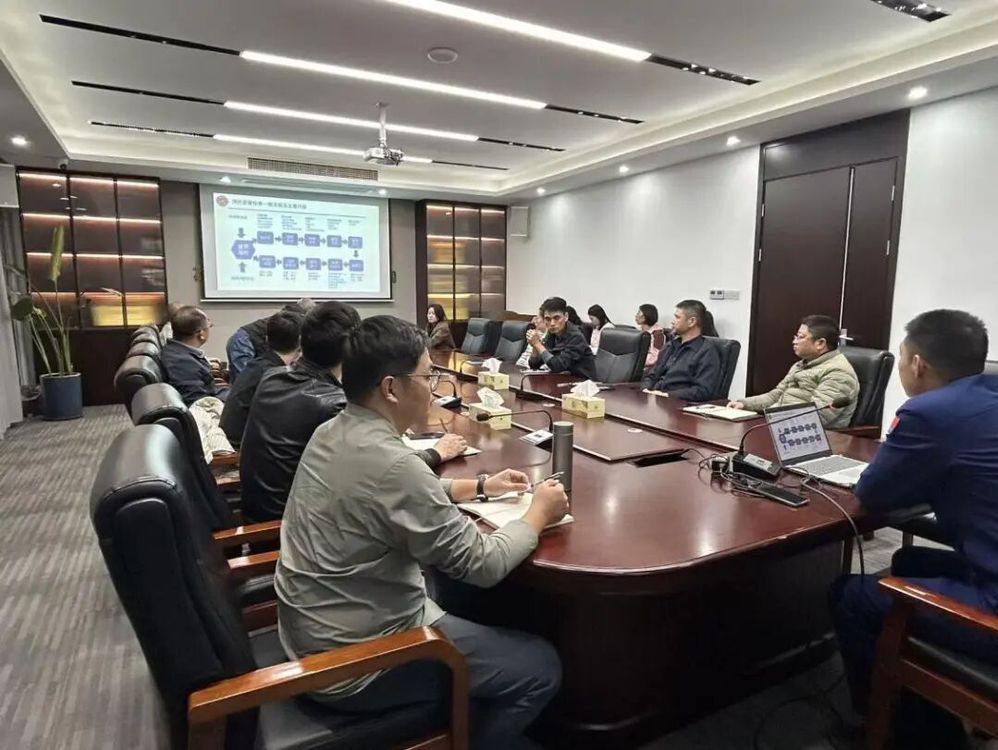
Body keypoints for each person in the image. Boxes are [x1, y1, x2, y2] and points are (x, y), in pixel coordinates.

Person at [275, 315, 568, 750]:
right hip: (356, 664)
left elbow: (387, 491)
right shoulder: (393, 464)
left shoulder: (333, 429)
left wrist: (481, 486)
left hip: (315, 629)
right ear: (391, 388)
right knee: (540, 666)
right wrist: (540, 513)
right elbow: (483, 564)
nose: (432, 388)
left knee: (460, 595)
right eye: (427, 376)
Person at [829, 310, 998, 749]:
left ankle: (896, 732)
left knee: (849, 594)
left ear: (918, 364)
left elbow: (874, 494)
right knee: (908, 559)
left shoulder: (929, 413)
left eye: (902, 358)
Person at [240, 302, 467, 522]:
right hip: (289, 523)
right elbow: (389, 468)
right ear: (352, 350)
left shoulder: (272, 377)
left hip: (260, 510)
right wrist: (437, 452)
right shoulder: (334, 406)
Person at [729, 314, 859, 428]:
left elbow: (817, 416)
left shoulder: (838, 372)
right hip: (779, 424)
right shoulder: (803, 364)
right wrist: (744, 404)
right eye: (795, 336)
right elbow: (775, 395)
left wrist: (771, 419)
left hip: (814, 437)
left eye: (800, 337)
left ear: (820, 343)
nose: (794, 342)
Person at [219, 308, 303, 449]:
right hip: (242, 449)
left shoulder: (256, 366)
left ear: (266, 339)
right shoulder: (277, 376)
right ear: (301, 341)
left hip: (233, 439)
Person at [641, 300, 722, 401]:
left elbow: (702, 390)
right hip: (655, 399)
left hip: (677, 403)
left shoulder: (706, 352)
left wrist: (667, 395)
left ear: (692, 321)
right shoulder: (670, 346)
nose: (672, 321)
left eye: (677, 317)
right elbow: (651, 375)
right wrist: (645, 389)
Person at [227, 298, 314, 380]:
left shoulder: (290, 315)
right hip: (244, 340)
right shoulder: (295, 319)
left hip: (248, 340)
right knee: (246, 378)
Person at [160, 306, 229, 406]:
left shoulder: (176, 351)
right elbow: (199, 402)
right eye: (209, 326)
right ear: (201, 334)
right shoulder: (183, 363)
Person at [527, 297, 597, 380]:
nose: (552, 323)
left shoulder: (576, 336)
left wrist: (538, 344)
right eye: (548, 319)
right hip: (561, 380)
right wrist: (535, 347)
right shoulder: (552, 334)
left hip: (582, 382)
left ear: (566, 316)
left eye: (556, 318)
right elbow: (534, 365)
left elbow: (558, 366)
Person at [635, 304, 667, 371]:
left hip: (646, 369)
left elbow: (654, 358)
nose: (636, 316)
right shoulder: (639, 331)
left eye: (638, 313)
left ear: (646, 316)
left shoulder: (658, 335)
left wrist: (635, 360)